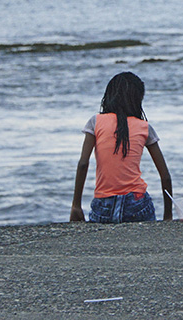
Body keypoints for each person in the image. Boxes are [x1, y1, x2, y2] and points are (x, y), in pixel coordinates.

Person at [70, 71, 173, 223]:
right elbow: (165, 176)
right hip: (137, 204)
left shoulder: (95, 122)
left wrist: (76, 206)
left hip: (103, 205)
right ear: (138, 99)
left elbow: (83, 164)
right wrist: (168, 216)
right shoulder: (145, 127)